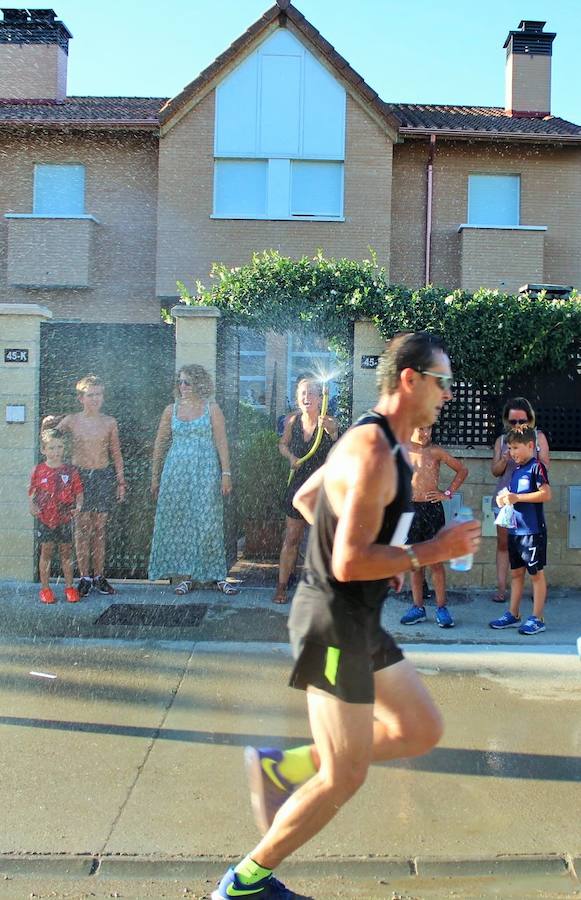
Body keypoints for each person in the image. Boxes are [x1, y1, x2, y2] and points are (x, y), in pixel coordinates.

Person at [211, 332, 481, 900]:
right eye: (443, 382)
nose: (448, 395)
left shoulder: (369, 440)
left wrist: (353, 543)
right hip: (333, 623)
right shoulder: (375, 452)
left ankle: (282, 769)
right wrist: (433, 551)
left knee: (420, 729)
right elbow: (349, 560)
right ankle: (243, 885)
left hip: (356, 619)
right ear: (410, 380)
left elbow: (309, 497)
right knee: (342, 777)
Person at [148, 364, 238, 596]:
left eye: (187, 382)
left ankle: (218, 575)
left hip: (206, 471)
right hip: (176, 473)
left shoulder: (212, 408)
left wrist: (225, 473)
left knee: (209, 522)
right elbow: (160, 444)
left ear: (199, 383)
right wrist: (155, 476)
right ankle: (187, 575)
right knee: (182, 522)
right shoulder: (171, 410)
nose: (183, 386)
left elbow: (221, 442)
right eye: (180, 382)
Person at [43, 374, 126, 597]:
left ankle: (99, 576)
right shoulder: (71, 420)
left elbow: (116, 453)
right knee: (81, 529)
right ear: (81, 398)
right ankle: (84, 578)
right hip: (78, 477)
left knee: (99, 529)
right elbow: (50, 440)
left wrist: (120, 482)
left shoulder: (109, 422)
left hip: (102, 475)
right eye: (90, 395)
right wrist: (46, 424)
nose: (95, 399)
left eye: (98, 394)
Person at [272, 377, 338, 604]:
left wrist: (332, 432)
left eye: (311, 393)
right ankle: (281, 586)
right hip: (298, 486)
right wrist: (291, 457)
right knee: (292, 538)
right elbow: (282, 444)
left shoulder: (330, 423)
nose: (306, 397)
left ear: (321, 398)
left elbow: (340, 452)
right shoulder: (292, 421)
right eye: (302, 393)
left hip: (322, 489)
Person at [400, 425, 468, 628]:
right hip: (410, 511)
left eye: (429, 429)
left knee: (436, 563)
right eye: (421, 429)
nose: (426, 434)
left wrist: (446, 494)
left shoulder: (435, 451)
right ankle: (417, 607)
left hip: (432, 509)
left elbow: (462, 470)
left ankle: (441, 607)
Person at [489, 425, 551, 635]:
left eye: (516, 448)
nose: (512, 452)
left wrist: (518, 498)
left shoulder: (536, 467)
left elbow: (545, 494)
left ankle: (538, 618)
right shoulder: (516, 470)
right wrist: (505, 498)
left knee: (536, 574)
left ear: (530, 446)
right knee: (516, 574)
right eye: (510, 448)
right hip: (515, 531)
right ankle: (513, 614)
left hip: (532, 532)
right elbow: (513, 497)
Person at [28, 429, 84, 604]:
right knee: (46, 553)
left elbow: (79, 492)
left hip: (65, 519)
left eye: (59, 447)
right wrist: (32, 506)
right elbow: (32, 493)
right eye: (52, 448)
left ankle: (69, 587)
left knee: (66, 554)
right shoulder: (38, 470)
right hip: (46, 519)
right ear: (43, 450)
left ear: (64, 448)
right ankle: (45, 589)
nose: (56, 451)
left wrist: (79, 506)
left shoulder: (70, 471)